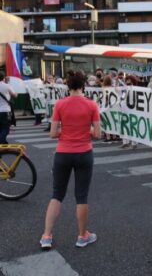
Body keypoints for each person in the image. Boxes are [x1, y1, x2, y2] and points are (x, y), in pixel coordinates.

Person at [40, 70, 101, 250]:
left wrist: (66, 132)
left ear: (68, 86)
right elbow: (97, 134)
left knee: (57, 194)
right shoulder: (92, 105)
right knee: (81, 195)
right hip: (84, 153)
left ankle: (46, 236)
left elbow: (52, 133)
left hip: (63, 153)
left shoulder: (60, 104)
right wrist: (85, 131)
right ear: (84, 85)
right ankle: (83, 235)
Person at [0, 72, 17, 144]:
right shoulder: (7, 86)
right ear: (4, 77)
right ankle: (1, 141)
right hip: (5, 110)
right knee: (6, 128)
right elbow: (15, 95)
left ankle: (3, 143)